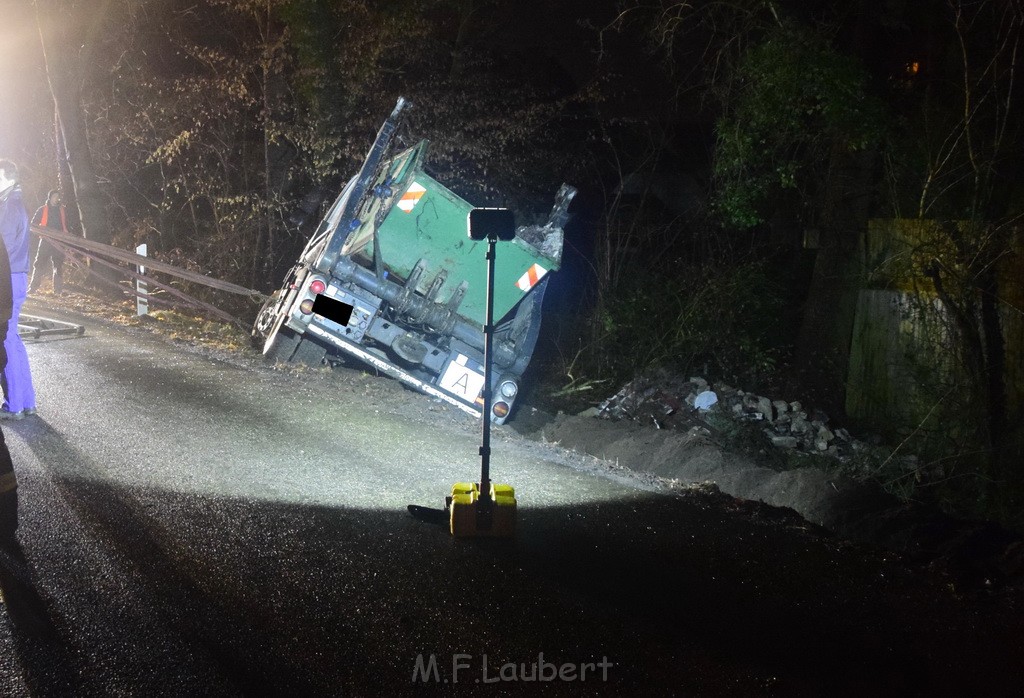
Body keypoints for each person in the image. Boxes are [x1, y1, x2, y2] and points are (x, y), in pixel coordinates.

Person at [0, 160, 36, 420]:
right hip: (15, 276)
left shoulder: (9, 207)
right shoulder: (14, 203)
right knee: (13, 337)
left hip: (7, 278)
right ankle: (26, 400)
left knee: (6, 339)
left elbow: (3, 248)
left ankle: (14, 405)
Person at [29, 189, 68, 295]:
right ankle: (33, 287)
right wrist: (42, 232)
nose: (57, 198)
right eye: (55, 196)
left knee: (58, 265)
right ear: (50, 197)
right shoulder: (42, 209)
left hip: (59, 242)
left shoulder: (63, 210)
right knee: (39, 264)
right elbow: (34, 224)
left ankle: (58, 291)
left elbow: (67, 225)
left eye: (58, 196)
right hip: (45, 240)